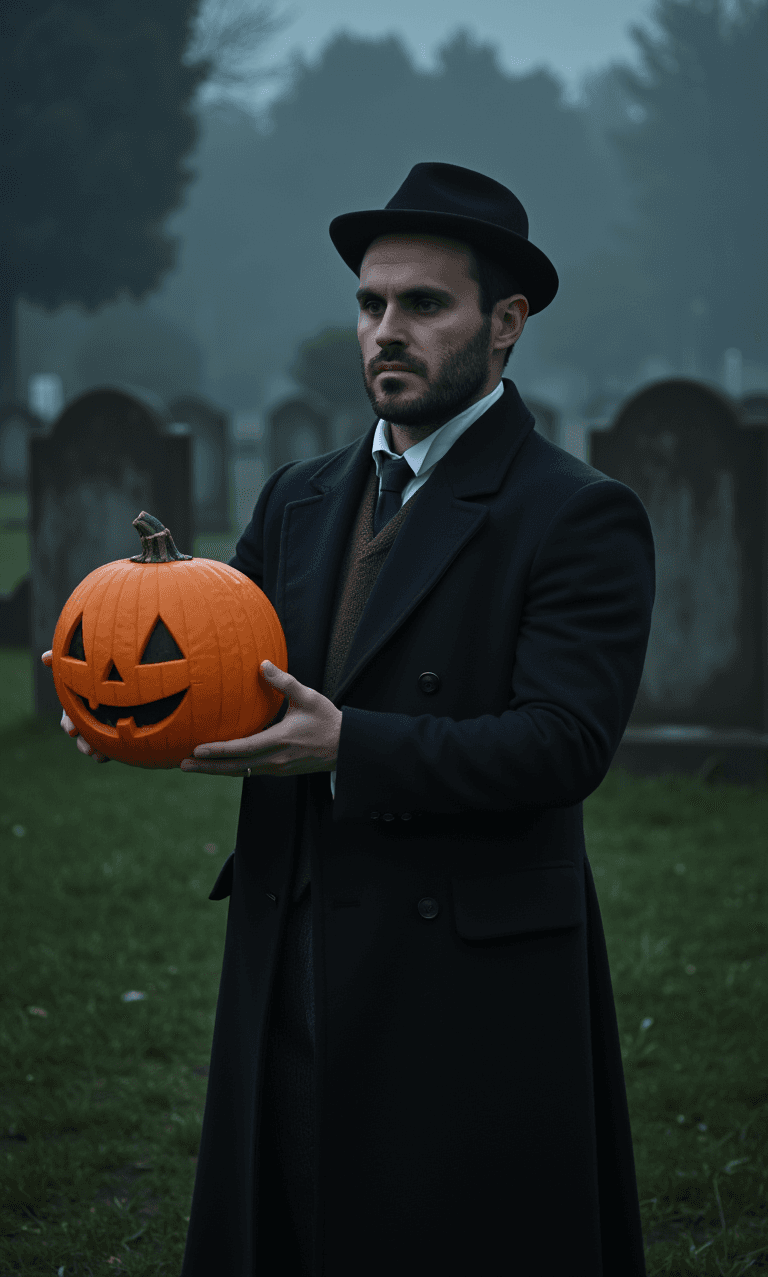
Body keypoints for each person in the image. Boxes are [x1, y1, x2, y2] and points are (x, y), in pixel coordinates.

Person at [54, 162, 655, 1276]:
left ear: (506, 322)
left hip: (463, 974)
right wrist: (133, 720)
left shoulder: (576, 513)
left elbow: (566, 744)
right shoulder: (301, 494)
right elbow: (227, 672)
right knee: (291, 1222)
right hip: (293, 936)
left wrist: (352, 746)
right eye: (372, 304)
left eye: (425, 305)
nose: (388, 330)